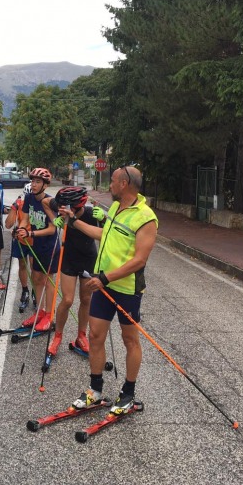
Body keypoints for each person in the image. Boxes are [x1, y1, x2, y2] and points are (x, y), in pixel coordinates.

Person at [62, 166, 158, 415]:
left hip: (126, 288)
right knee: (95, 336)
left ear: (124, 184)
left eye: (113, 181)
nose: (109, 186)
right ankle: (95, 390)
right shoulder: (115, 208)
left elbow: (139, 260)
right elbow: (104, 235)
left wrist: (105, 278)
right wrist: (74, 222)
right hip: (103, 285)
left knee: (129, 340)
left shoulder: (145, 217)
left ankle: (128, 393)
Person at [41, 186, 99, 357]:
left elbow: (105, 234)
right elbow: (45, 201)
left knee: (86, 299)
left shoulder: (90, 213)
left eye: (66, 208)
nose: (62, 210)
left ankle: (81, 336)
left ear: (77, 206)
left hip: (88, 259)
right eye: (61, 207)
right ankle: (58, 336)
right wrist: (54, 219)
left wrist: (104, 218)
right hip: (68, 259)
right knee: (67, 300)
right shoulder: (61, 208)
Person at [14, 167, 58, 332]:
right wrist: (21, 229)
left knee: (48, 280)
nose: (33, 184)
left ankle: (49, 315)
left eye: (38, 181)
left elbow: (52, 229)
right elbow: (25, 219)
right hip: (37, 245)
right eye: (32, 181)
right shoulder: (29, 198)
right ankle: (39, 313)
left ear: (45, 185)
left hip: (50, 246)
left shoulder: (50, 202)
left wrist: (30, 232)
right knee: (36, 278)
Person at [4, 183, 35, 311]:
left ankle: (35, 293)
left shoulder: (40, 205)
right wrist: (14, 206)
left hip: (35, 240)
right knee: (22, 265)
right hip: (21, 239)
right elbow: (8, 224)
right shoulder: (20, 204)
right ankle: (25, 291)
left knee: (35, 268)